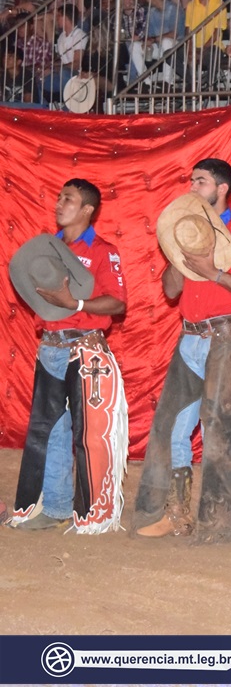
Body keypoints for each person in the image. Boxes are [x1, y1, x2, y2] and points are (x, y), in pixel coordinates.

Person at [131, 159, 231, 542]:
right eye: (192, 180)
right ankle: (177, 515)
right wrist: (178, 256)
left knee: (221, 430)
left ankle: (221, 522)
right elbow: (171, 291)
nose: (193, 186)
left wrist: (214, 273)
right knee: (174, 427)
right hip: (190, 336)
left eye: (201, 181)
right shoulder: (186, 231)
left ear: (222, 188)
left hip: (227, 338)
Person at [9, 180, 128, 533]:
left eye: (68, 199)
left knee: (89, 433)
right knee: (51, 431)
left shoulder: (104, 251)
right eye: (60, 197)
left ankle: (93, 513)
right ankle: (57, 506)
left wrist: (74, 304)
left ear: (88, 209)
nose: (59, 204)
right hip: (51, 346)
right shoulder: (49, 249)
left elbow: (119, 303)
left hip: (84, 347)